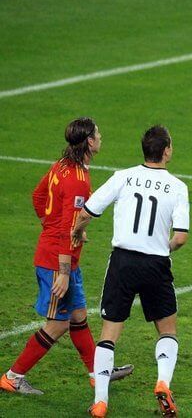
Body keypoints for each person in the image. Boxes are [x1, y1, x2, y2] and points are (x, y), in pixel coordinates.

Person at [1, 118, 132, 396]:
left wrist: (63, 229)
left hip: (58, 253)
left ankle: (98, 374)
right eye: (97, 133)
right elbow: (63, 226)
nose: (101, 136)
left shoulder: (62, 166)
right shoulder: (77, 181)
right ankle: (13, 376)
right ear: (89, 142)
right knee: (59, 323)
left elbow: (38, 197)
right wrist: (62, 270)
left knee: (78, 316)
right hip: (56, 262)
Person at [71, 125, 190, 417]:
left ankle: (101, 402)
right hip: (156, 264)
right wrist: (165, 248)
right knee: (167, 330)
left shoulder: (122, 177)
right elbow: (181, 236)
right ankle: (163, 381)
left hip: (123, 262)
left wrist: (78, 231)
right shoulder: (177, 186)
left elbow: (86, 211)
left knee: (109, 334)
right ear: (165, 151)